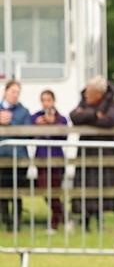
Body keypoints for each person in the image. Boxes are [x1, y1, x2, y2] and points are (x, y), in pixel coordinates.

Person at [69, 76, 114, 229]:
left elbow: (111, 120)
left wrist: (86, 116)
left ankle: (100, 220)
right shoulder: (84, 100)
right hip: (86, 151)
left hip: (105, 153)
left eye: (90, 93)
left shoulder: (112, 104)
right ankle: (84, 219)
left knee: (101, 186)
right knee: (83, 185)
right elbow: (74, 116)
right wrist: (95, 114)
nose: (86, 95)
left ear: (98, 95)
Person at [31, 89, 69, 232]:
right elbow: (28, 133)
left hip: (57, 160)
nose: (46, 103)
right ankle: (64, 217)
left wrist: (54, 125)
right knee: (45, 190)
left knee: (55, 191)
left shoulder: (61, 119)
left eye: (48, 100)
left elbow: (64, 137)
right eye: (43, 100)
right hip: (41, 159)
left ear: (54, 101)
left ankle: (54, 224)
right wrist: (37, 126)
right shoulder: (35, 117)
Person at [0, 81, 33, 228]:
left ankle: (17, 221)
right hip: (1, 157)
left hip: (18, 157)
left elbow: (27, 132)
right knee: (2, 190)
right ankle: (5, 220)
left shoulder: (24, 111)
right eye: (13, 91)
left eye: (17, 92)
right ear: (6, 91)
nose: (15, 95)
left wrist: (9, 124)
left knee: (16, 190)